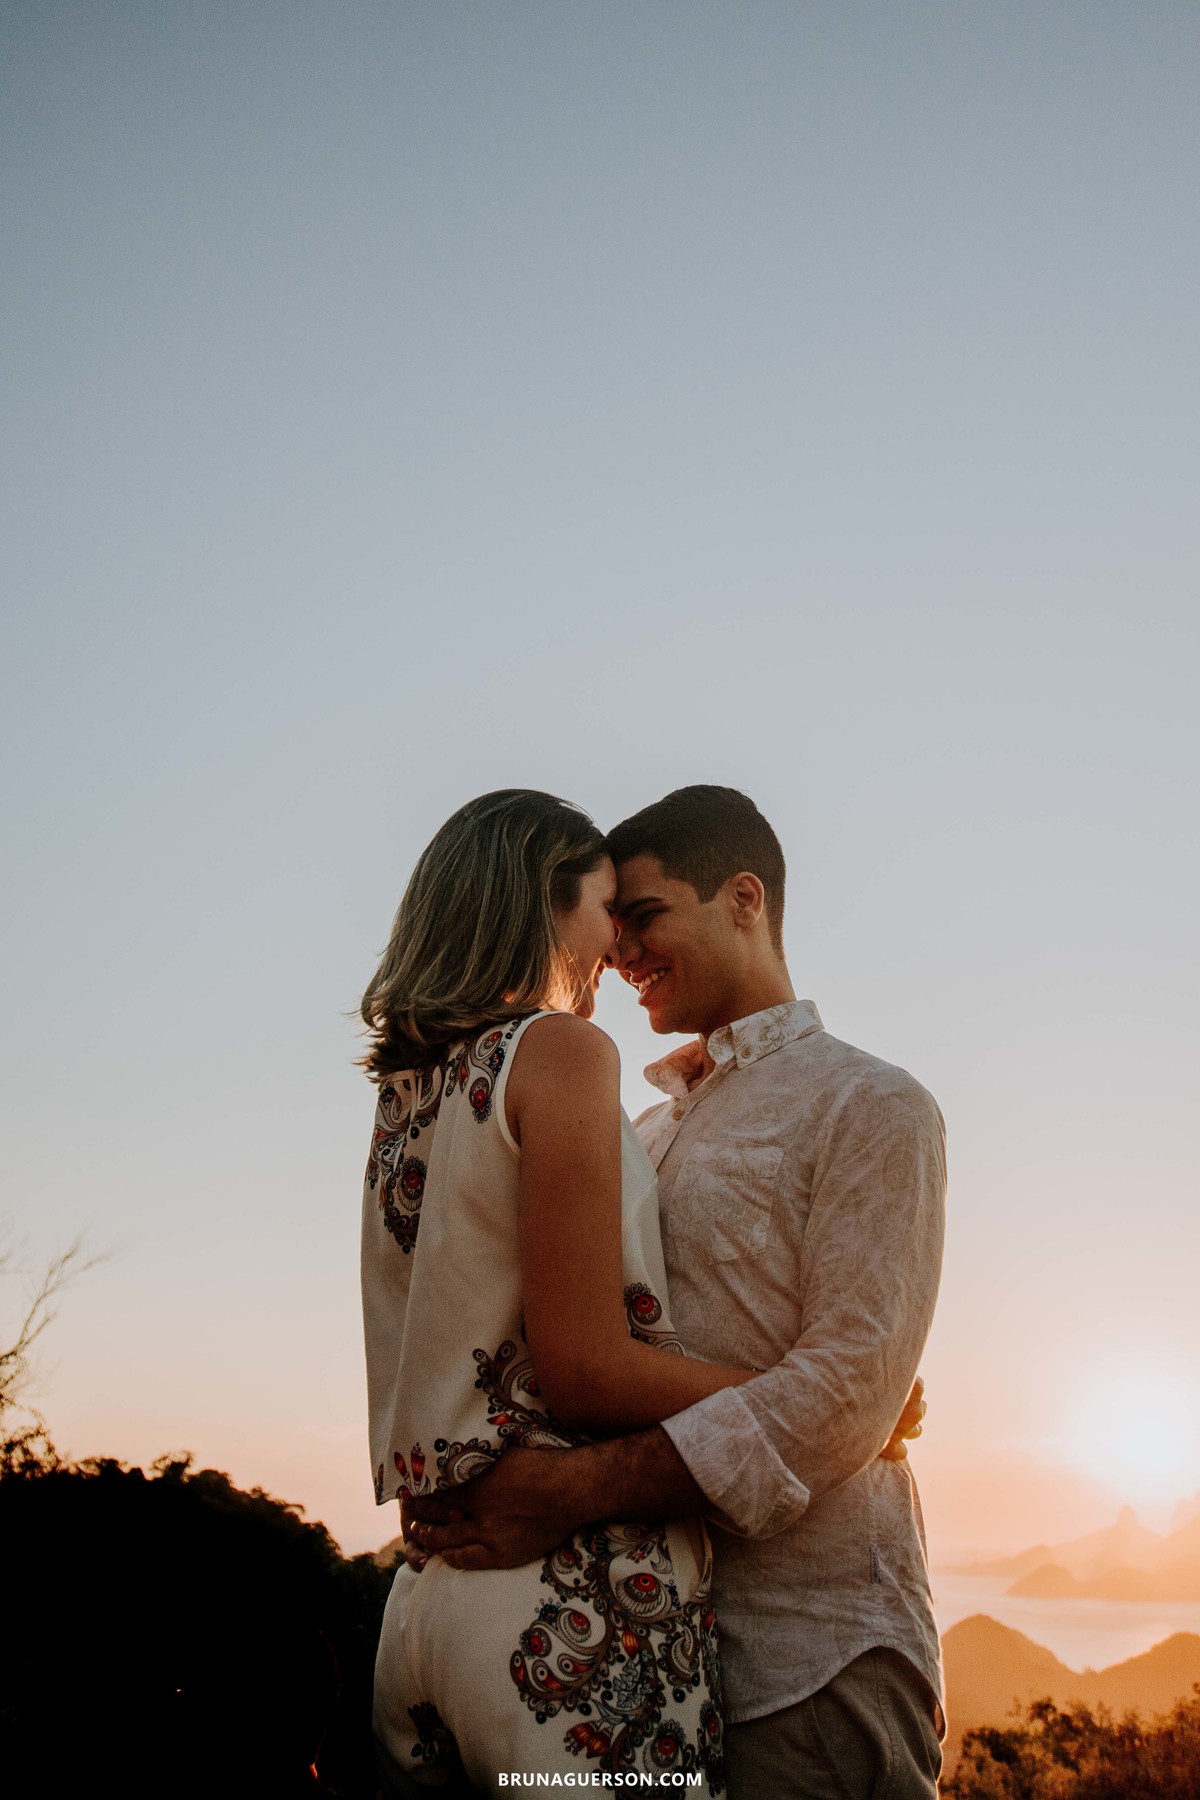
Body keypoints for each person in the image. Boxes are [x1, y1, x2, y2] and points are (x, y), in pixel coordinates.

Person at [406, 786, 947, 1800]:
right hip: (635, 1653)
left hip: (807, 1652)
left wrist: (565, 1494)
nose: (617, 953)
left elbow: (842, 1400)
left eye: (644, 916)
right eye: (610, 926)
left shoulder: (872, 1103)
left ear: (743, 899)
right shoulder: (639, 1133)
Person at [360, 788, 762, 1796]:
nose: (617, 947)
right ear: (545, 904)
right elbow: (584, 1370)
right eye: (606, 910)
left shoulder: (410, 1091)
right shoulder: (560, 1051)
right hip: (568, 1610)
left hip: (423, 1610)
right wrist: (798, 1396)